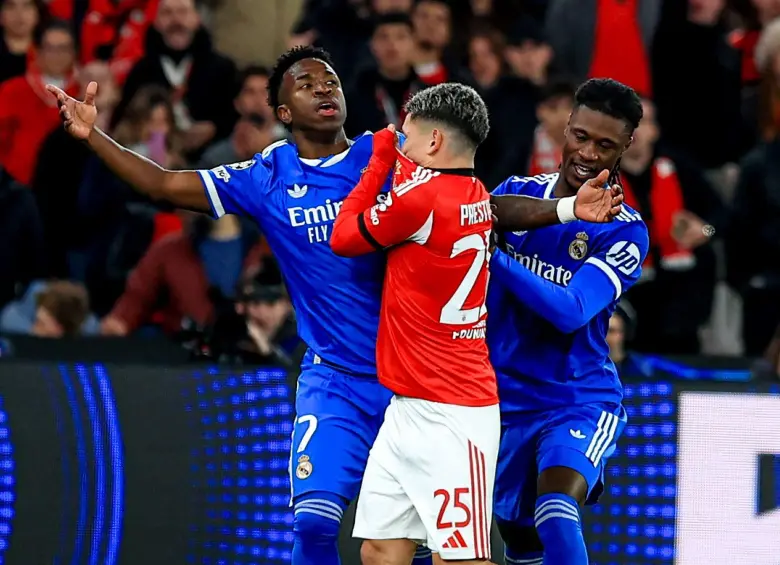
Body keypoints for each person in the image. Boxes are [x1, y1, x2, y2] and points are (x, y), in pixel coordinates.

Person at [47, 46, 622, 565]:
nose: (325, 88)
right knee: (316, 527)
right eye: (306, 83)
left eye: (331, 80)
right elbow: (162, 185)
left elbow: (476, 205)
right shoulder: (265, 175)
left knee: (412, 549)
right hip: (337, 381)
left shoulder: (394, 153)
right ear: (284, 112)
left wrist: (566, 212)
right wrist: (95, 136)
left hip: (414, 385)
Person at [330, 84, 499, 564]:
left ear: (434, 143)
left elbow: (343, 236)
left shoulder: (420, 201)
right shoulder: (475, 193)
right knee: (381, 551)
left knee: (461, 559)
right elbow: (425, 184)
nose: (400, 143)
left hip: (454, 413)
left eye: (406, 137)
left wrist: (379, 161)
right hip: (407, 406)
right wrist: (401, 157)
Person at [488, 78, 650, 565]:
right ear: (565, 127)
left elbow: (571, 310)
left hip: (575, 397)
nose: (588, 153)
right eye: (581, 136)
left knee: (556, 509)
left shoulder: (625, 230)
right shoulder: (515, 195)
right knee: (520, 543)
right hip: (501, 401)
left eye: (605, 145)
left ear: (627, 145)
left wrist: (496, 255)